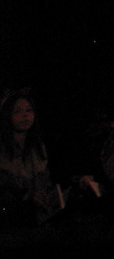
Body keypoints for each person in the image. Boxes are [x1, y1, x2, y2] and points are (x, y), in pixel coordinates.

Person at [0, 89, 63, 225]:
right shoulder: (3, 150)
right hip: (11, 219)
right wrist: (27, 195)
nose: (25, 115)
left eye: (29, 110)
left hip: (42, 217)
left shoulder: (39, 146)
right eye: (17, 111)